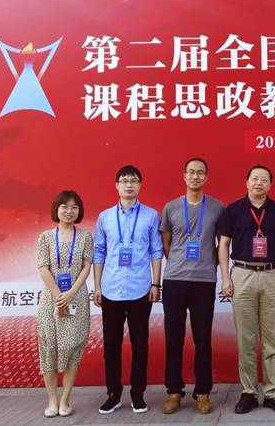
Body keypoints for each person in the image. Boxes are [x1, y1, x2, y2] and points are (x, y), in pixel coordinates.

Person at [218, 165, 275, 413]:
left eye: (264, 179)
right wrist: (225, 278)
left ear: (270, 184)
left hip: (271, 274)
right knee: (245, 338)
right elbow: (223, 244)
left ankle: (272, 392)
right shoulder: (233, 210)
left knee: (271, 338)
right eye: (255, 178)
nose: (259, 183)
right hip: (243, 274)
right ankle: (248, 392)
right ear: (247, 182)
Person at [93, 165, 163, 414]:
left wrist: (155, 283)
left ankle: (137, 394)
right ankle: (113, 394)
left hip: (140, 288)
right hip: (111, 289)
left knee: (140, 344)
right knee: (111, 345)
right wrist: (97, 286)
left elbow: (156, 250)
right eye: (124, 180)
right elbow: (99, 252)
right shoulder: (105, 217)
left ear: (140, 185)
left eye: (133, 180)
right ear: (116, 185)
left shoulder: (151, 215)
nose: (129, 185)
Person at [159, 158, 225, 415]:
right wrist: (179, 262)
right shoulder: (171, 207)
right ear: (184, 176)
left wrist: (210, 263)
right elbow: (166, 244)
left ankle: (202, 392)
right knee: (173, 338)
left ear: (206, 177)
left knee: (203, 340)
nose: (195, 176)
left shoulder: (217, 208)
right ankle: (174, 391)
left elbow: (222, 243)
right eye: (191, 172)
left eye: (200, 173)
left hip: (204, 281)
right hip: (174, 280)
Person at [37, 190, 93, 418]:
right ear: (56, 209)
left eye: (74, 207)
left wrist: (70, 293)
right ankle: (52, 400)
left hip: (76, 298)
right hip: (50, 299)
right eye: (64, 207)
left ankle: (65, 399)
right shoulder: (45, 237)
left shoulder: (85, 236)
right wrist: (58, 295)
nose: (69, 211)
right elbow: (43, 267)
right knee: (48, 348)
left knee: (72, 348)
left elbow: (86, 266)